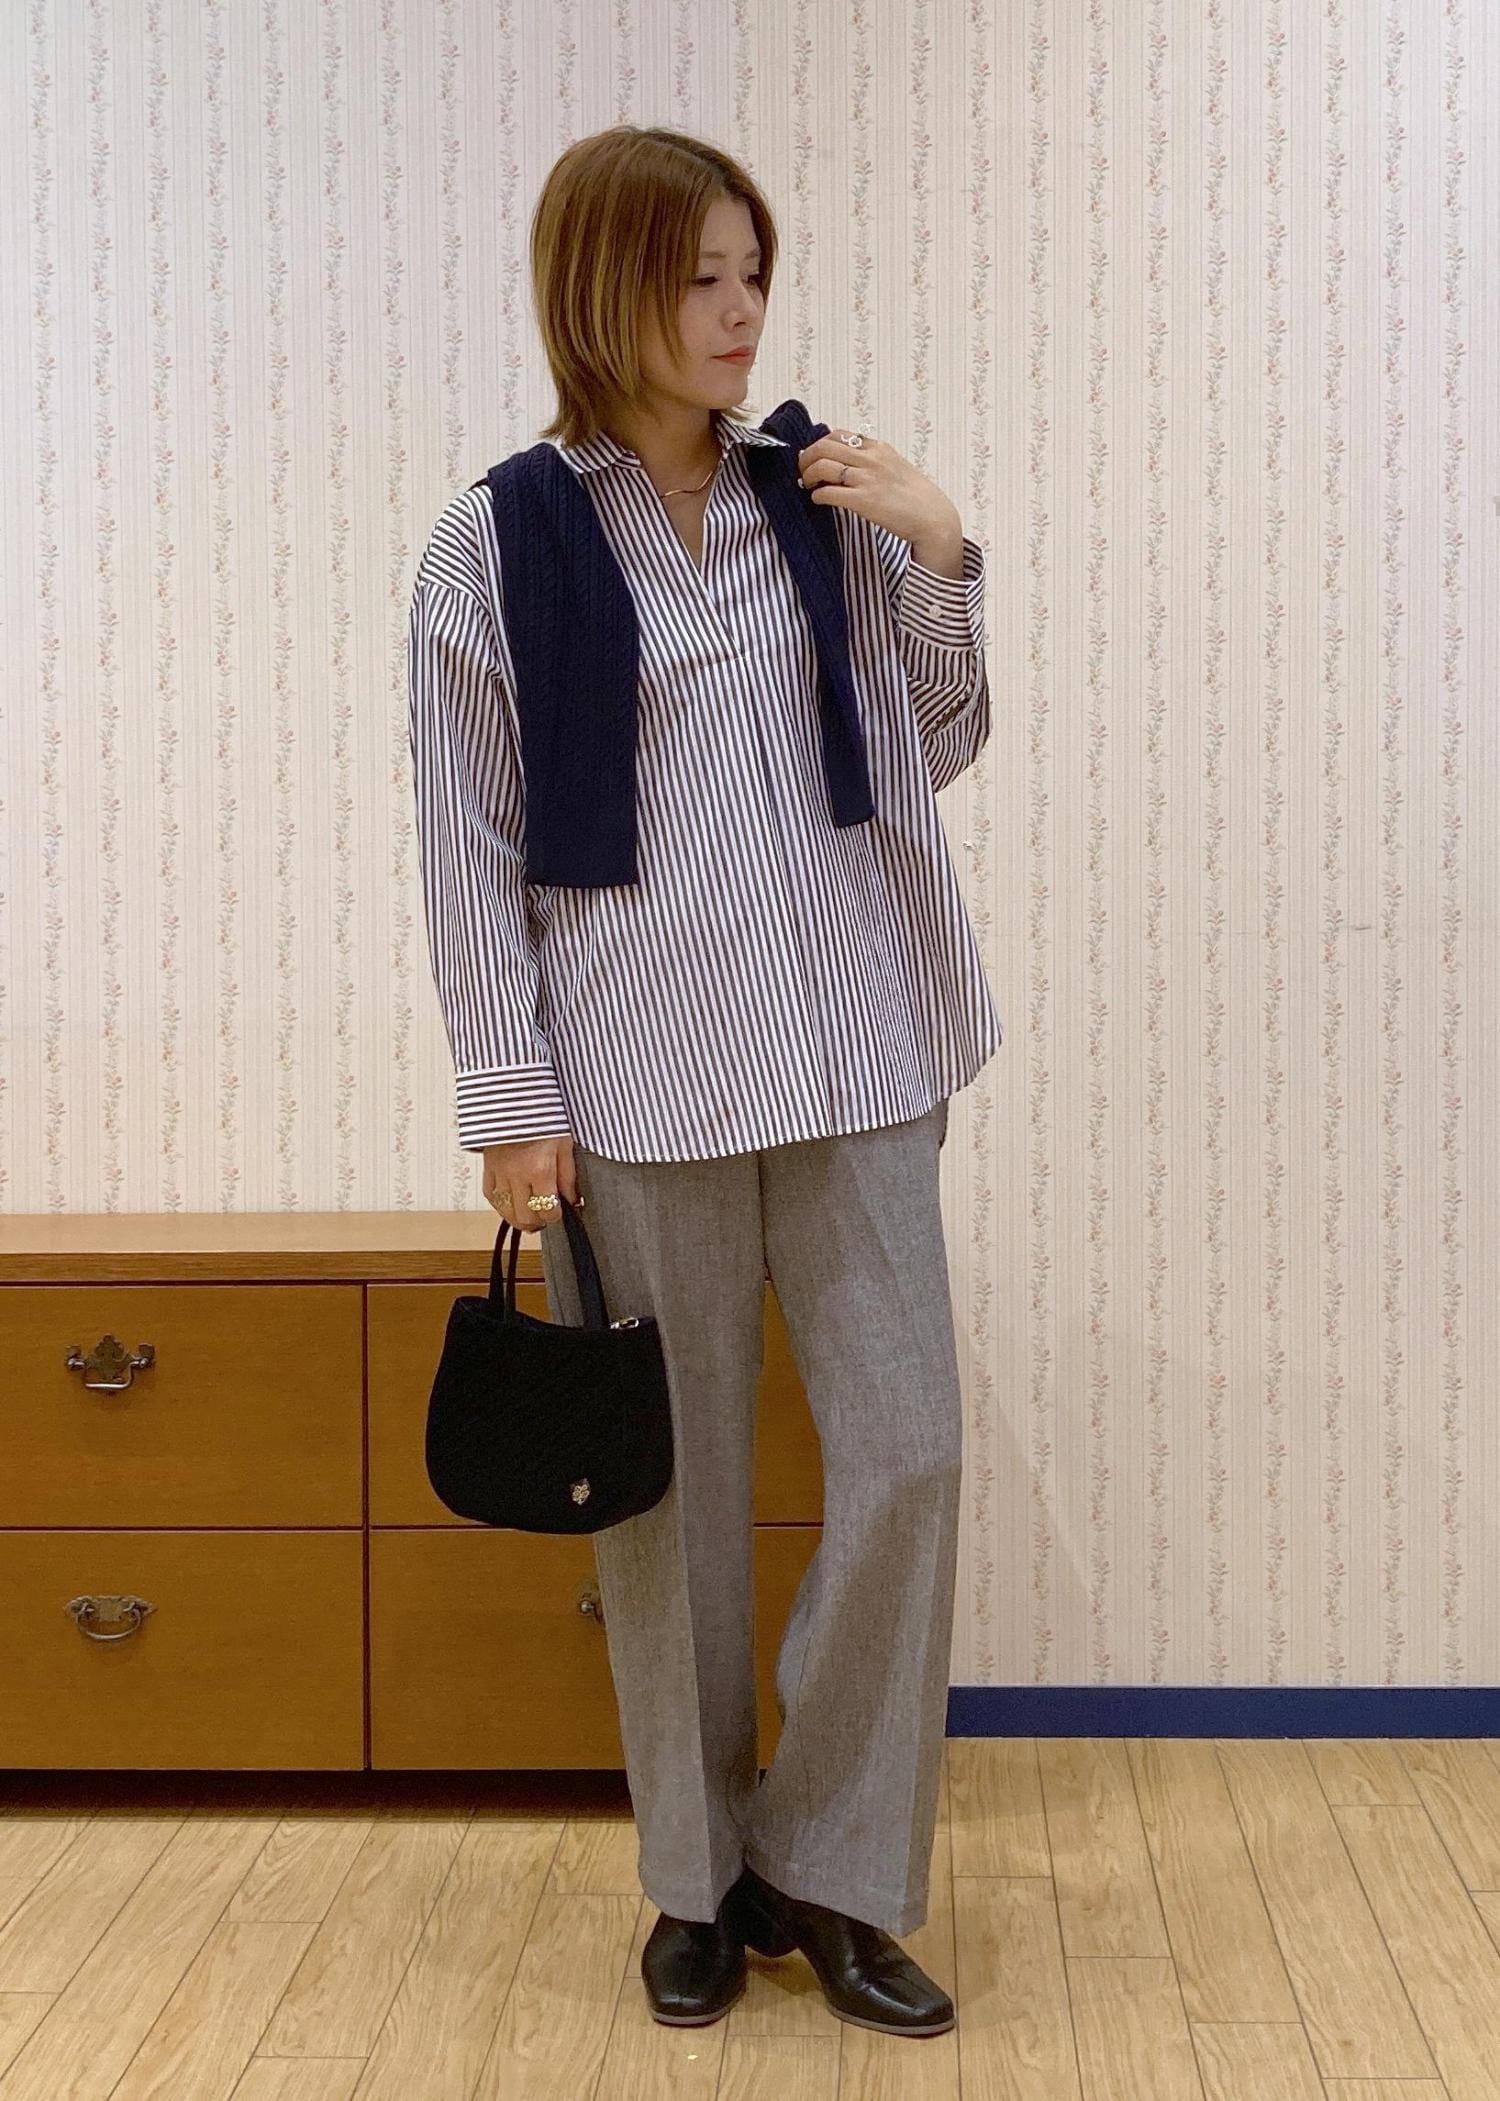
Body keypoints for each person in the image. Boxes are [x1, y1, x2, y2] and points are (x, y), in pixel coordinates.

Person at [406, 123, 1003, 2039]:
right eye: (700, 277)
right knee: (669, 1503)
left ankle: (833, 1864)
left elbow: (938, 740)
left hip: (859, 1050)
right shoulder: (493, 543)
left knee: (909, 1451)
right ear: (605, 290)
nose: (742, 311)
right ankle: (696, 1873)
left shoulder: (817, 499)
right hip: (639, 1079)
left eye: (756, 273)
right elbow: (468, 839)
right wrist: (510, 1098)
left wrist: (939, 548)